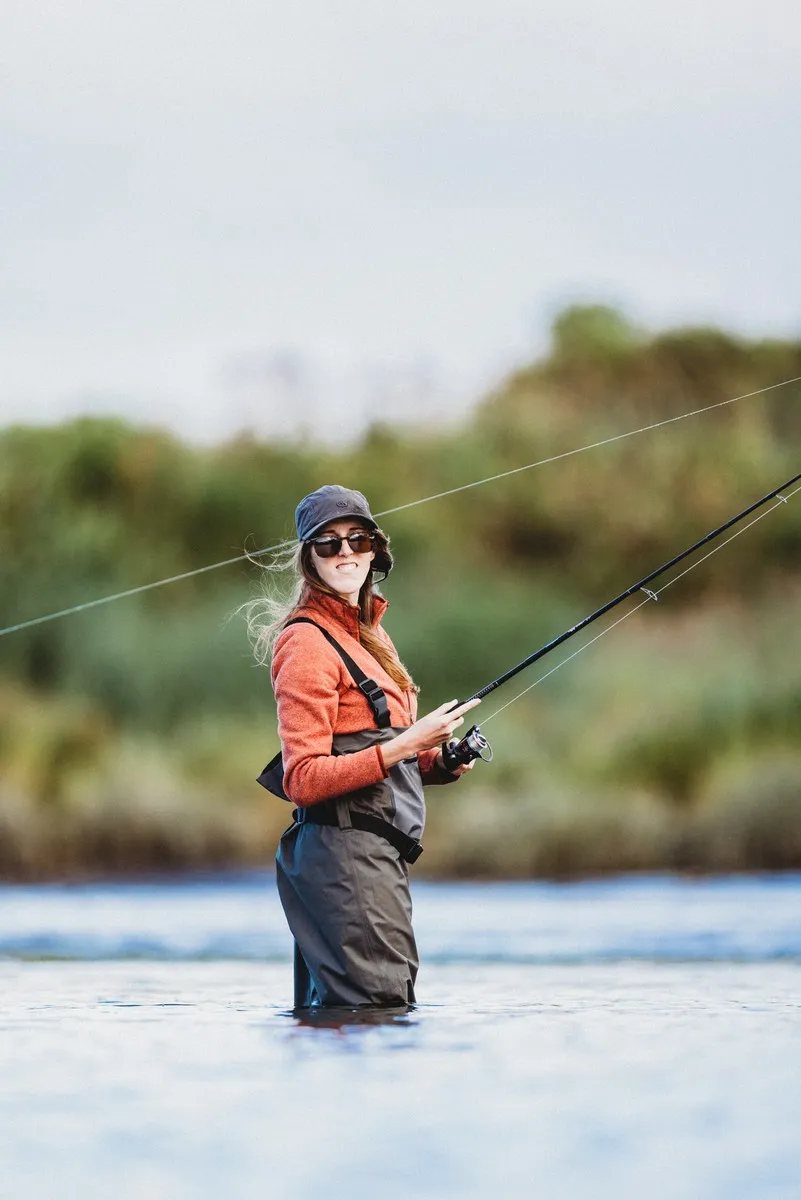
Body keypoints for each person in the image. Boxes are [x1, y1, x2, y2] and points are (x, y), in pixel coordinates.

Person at [246, 484, 479, 1009]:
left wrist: (438, 759)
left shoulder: (371, 633)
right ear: (309, 557)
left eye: (357, 539)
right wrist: (404, 748)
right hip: (343, 856)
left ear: (375, 549)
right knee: (379, 1007)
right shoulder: (306, 643)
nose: (345, 552)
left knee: (346, 1016)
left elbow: (390, 752)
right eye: (327, 544)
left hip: (372, 854)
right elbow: (302, 778)